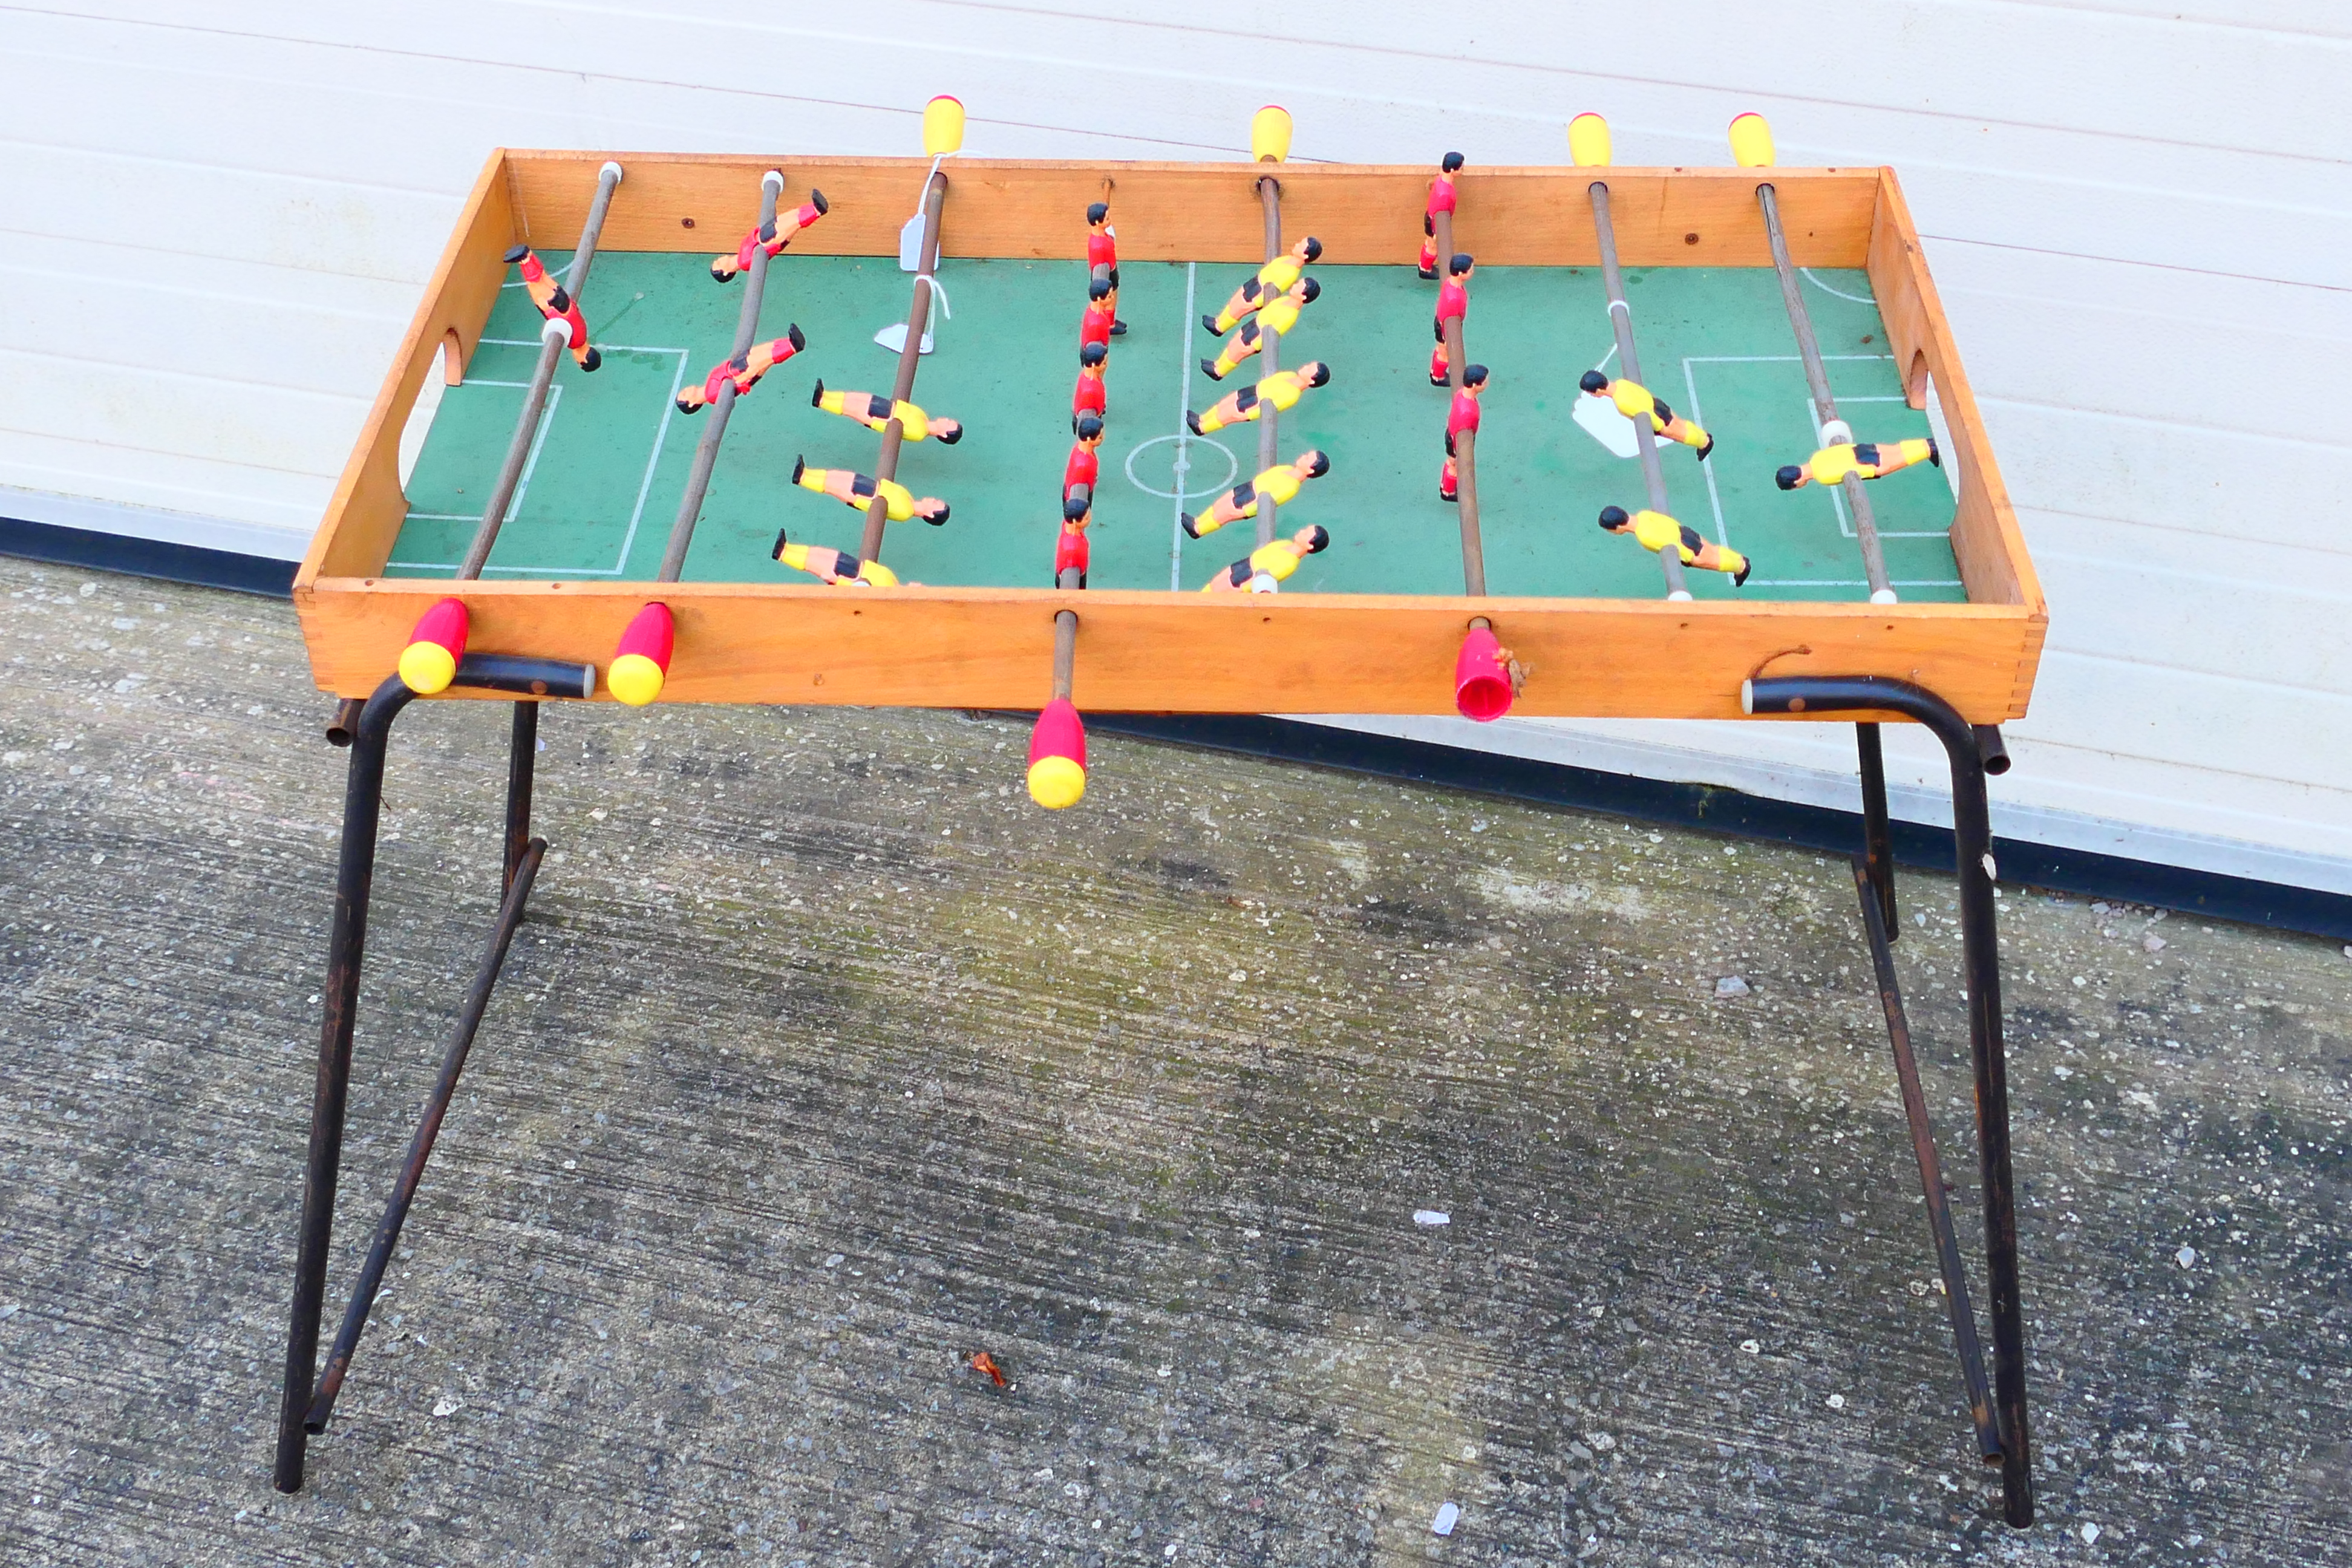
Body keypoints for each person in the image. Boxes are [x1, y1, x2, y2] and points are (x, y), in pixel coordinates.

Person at [1180, 451, 1330, 538]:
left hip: (1252, 500)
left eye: (1308, 458)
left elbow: (1270, 501)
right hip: (1250, 487)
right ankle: (1199, 521)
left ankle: (1199, 530)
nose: (1304, 456)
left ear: (1311, 470)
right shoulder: (1286, 468)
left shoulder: (1291, 487)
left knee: (1224, 514)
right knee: (1220, 504)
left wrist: (1245, 511)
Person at [1200, 277, 1318, 381]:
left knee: (1235, 353)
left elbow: (1273, 333)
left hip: (1256, 336)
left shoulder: (1289, 315)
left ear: (1303, 296)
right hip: (1254, 325)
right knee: (1232, 346)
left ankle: (1219, 372)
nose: (1295, 285)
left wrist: (1253, 347)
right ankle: (1217, 364)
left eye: (1299, 286)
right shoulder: (1285, 300)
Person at [1201, 235, 1324, 335]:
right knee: (1234, 302)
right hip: (1256, 282)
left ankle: (1220, 327)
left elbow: (1274, 289)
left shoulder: (1291, 273)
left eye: (1301, 246)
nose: (1297, 245)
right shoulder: (1287, 259)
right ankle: (1218, 320)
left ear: (1305, 256)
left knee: (1237, 310)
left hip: (1258, 293)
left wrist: (1256, 302)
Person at [1598, 505, 1749, 584]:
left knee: (1713, 562)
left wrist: (1691, 558)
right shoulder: (1644, 514)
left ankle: (1741, 567)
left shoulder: (1644, 536)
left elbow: (1671, 545)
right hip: (1684, 531)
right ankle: (1740, 559)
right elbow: (1669, 521)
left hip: (1685, 546)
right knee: (1714, 549)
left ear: (1617, 527)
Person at [1577, 370, 1713, 457]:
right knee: (1680, 423)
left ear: (1599, 391)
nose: (1592, 395)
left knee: (1678, 434)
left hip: (1656, 417)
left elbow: (1645, 414)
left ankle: (1704, 442)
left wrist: (1661, 428)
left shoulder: (1621, 402)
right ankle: (1703, 434)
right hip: (1656, 403)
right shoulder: (1621, 383)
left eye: (1591, 393)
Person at [505, 246, 598, 371]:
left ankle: (529, 255)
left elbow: (577, 316)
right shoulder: (575, 343)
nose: (576, 361)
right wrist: (547, 309)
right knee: (535, 283)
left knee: (543, 277)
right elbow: (564, 323)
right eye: (579, 363)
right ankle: (525, 259)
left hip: (565, 302)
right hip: (557, 308)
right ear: (584, 360)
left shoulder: (584, 334)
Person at [674, 327, 806, 413]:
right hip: (739, 372)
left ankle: (788, 342)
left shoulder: (708, 388)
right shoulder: (711, 395)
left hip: (734, 366)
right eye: (685, 395)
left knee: (763, 350)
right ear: (692, 404)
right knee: (765, 358)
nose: (685, 390)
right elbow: (733, 385)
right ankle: (792, 347)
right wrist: (747, 375)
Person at [792, 457, 949, 525]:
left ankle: (803, 479)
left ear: (930, 514)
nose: (933, 499)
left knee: (832, 486)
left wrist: (855, 500)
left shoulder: (905, 511)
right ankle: (807, 472)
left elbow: (876, 506)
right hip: (872, 486)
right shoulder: (908, 497)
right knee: (836, 476)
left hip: (865, 495)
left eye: (935, 504)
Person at [710, 191, 828, 281]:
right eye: (719, 264)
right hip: (766, 240)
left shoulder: (740, 256)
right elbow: (760, 251)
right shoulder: (744, 262)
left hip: (762, 233)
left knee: (791, 216)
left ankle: (813, 207)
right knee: (793, 222)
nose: (719, 259)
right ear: (726, 272)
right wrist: (773, 243)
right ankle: (817, 211)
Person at [1187, 362, 1329, 434]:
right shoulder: (1290, 375)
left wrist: (1248, 415)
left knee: (1227, 414)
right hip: (1254, 390)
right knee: (1226, 403)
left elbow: (1272, 407)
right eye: (1310, 365)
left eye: (1310, 369)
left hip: (1255, 403)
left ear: (1312, 381)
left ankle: (1202, 427)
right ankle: (1203, 417)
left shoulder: (1292, 395)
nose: (1306, 366)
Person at [810, 381, 962, 443]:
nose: (947, 419)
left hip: (883, 417)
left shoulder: (919, 432)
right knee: (856, 397)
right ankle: (826, 394)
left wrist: (873, 422)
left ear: (944, 434)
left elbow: (894, 428)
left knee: (851, 408)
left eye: (949, 424)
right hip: (888, 406)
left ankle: (822, 402)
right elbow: (902, 405)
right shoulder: (923, 415)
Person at [1201, 524, 1330, 593]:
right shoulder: (1284, 543)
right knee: (1212, 585)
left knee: (1217, 594)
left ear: (1309, 545)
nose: (1302, 531)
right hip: (1244, 565)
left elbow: (1264, 579)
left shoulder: (1289, 564)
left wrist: (1240, 590)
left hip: (1246, 578)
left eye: (1306, 533)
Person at [1777, 437, 1939, 489]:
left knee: (1895, 461)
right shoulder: (1816, 457)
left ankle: (1927, 450)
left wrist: (1873, 472)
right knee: (1895, 449)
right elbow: (1840, 449)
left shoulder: (1822, 477)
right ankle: (1924, 442)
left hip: (1862, 462)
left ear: (1796, 482)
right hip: (1858, 450)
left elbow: (1847, 471)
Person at [771, 529, 901, 586]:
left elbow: (860, 588)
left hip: (850, 575)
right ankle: (787, 547)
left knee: (814, 563)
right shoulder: (893, 580)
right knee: (819, 553)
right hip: (856, 565)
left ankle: (783, 554)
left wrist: (838, 581)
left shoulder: (888, 590)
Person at [1440, 364, 1487, 501]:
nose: (1487, 384)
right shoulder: (1467, 413)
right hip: (1456, 441)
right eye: (1484, 382)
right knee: (1454, 463)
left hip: (1452, 434)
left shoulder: (1462, 394)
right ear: (1474, 385)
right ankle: (1447, 492)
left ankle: (1446, 488)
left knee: (1452, 462)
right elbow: (1466, 427)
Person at [1418, 152, 1464, 279]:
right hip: (1435, 223)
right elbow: (1442, 214)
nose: (1462, 170)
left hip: (1431, 218)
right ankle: (1425, 269)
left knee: (1430, 244)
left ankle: (1424, 266)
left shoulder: (1442, 180)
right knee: (1433, 247)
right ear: (1452, 170)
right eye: (1461, 168)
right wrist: (1439, 232)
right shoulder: (1445, 194)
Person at [1429, 253, 1473, 385]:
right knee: (1445, 352)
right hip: (1444, 328)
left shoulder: (1450, 283)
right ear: (1461, 273)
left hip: (1441, 322)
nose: (1472, 272)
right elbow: (1452, 316)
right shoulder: (1454, 298)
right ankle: (1438, 377)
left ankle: (1436, 373)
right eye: (1470, 270)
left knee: (1441, 349)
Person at [1085, 200, 1125, 335]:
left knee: (1114, 296)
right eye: (1107, 219)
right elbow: (1099, 270)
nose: (1110, 221)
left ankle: (1111, 320)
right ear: (1097, 222)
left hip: (1111, 269)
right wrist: (1103, 285)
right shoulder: (1098, 246)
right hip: (1106, 274)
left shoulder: (1103, 236)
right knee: (1110, 298)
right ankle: (1109, 324)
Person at [1064, 416, 1104, 503]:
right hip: (1077, 497)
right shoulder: (1084, 465)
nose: (1103, 438)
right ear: (1089, 439)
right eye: (1100, 437)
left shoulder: (1080, 448)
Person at [1053, 495, 1091, 587]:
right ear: (1075, 522)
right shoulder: (1072, 550)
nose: (1090, 519)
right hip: (1075, 577)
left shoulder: (1068, 525)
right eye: (1086, 518)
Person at [1072, 340, 1109, 431]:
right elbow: (1086, 418)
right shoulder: (1091, 391)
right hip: (1091, 416)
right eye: (1104, 363)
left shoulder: (1088, 376)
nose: (1106, 365)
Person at [1080, 278, 1117, 349]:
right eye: (1109, 296)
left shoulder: (1095, 310)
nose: (1113, 298)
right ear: (1099, 299)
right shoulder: (1097, 324)